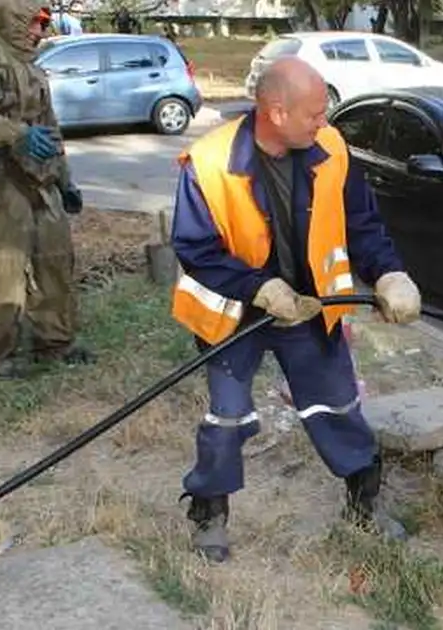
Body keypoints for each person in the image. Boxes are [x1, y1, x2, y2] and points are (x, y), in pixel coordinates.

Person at [169, 56, 422, 563]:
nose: (324, 123)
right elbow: (195, 249)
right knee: (227, 416)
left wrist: (390, 272)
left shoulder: (329, 149)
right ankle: (209, 513)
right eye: (314, 114)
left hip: (309, 307)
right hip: (236, 314)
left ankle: (364, 502)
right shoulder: (209, 163)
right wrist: (259, 288)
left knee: (337, 405)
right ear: (277, 112)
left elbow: (362, 224)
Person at [0, 0, 91, 379]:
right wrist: (15, 134)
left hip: (43, 180)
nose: (42, 31)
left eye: (44, 22)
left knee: (56, 260)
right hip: (4, 180)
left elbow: (52, 129)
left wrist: (65, 177)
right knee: (4, 270)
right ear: (13, 18)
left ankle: (55, 343)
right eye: (35, 22)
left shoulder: (33, 69)